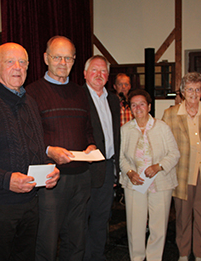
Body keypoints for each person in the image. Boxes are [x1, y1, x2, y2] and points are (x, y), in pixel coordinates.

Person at [0, 43, 60, 261]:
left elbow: (35, 147)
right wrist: (5, 180)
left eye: (23, 62)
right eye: (10, 61)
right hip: (0, 205)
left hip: (32, 203)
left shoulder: (30, 102)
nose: (18, 67)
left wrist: (50, 171)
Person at [26, 35, 96, 261]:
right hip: (50, 179)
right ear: (46, 58)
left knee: (76, 240)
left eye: (68, 58)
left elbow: (87, 128)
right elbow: (27, 136)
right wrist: (48, 150)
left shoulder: (80, 92)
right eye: (58, 57)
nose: (63, 63)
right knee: (45, 241)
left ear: (74, 60)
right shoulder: (32, 92)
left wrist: (91, 145)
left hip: (81, 177)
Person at [162, 72, 201, 261]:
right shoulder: (170, 114)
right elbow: (164, 145)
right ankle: (184, 253)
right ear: (182, 91)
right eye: (189, 89)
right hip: (182, 174)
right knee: (183, 218)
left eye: (197, 89)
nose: (193, 93)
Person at [120, 89, 180, 261]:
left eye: (142, 104)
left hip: (160, 183)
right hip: (135, 184)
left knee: (158, 226)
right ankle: (137, 258)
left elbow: (174, 153)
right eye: (134, 105)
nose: (138, 107)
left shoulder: (162, 127)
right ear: (130, 108)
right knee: (135, 226)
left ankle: (154, 258)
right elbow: (121, 157)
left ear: (149, 107)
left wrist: (159, 166)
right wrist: (130, 172)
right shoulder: (125, 130)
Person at [82, 55, 120, 261]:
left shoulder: (113, 100)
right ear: (85, 73)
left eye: (103, 71)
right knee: (81, 219)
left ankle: (96, 256)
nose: (99, 74)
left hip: (107, 167)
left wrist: (116, 170)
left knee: (101, 217)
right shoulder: (78, 97)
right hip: (85, 169)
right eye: (94, 70)